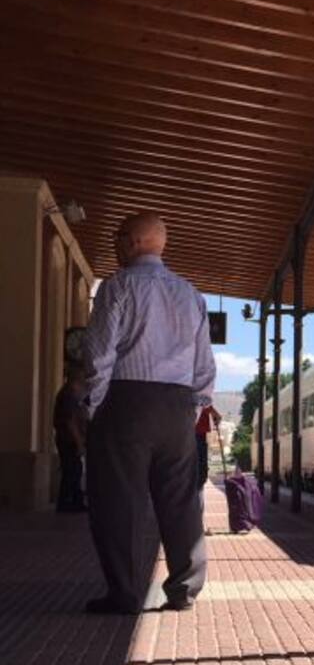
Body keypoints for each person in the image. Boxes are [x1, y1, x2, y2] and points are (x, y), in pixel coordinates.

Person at [82, 212, 216, 615]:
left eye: (117, 236)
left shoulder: (118, 285)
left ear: (132, 242)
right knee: (179, 499)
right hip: (177, 405)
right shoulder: (191, 294)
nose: (113, 243)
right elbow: (204, 364)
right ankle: (184, 590)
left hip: (126, 400)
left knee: (117, 499)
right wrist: (193, 407)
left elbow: (99, 353)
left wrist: (94, 404)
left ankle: (124, 593)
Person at [53, 361, 89, 513]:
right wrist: (79, 442)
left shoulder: (73, 393)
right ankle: (66, 502)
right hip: (68, 439)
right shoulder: (68, 394)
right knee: (71, 471)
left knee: (75, 469)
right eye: (82, 373)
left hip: (69, 439)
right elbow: (69, 421)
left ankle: (75, 501)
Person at [194, 404, 222, 492]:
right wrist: (214, 413)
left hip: (194, 433)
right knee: (199, 474)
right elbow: (202, 400)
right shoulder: (197, 394)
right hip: (195, 434)